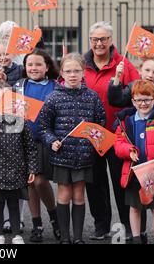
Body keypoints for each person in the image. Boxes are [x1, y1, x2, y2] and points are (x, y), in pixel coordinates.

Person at [41, 53, 106, 244]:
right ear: (61, 73)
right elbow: (45, 127)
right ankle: (65, 237)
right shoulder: (53, 97)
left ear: (83, 72)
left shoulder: (92, 97)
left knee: (79, 195)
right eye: (68, 71)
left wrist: (93, 143)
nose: (72, 75)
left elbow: (100, 124)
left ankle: (77, 238)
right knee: (64, 194)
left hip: (84, 157)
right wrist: (52, 141)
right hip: (62, 156)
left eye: (76, 71)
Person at [84, 21, 140, 240]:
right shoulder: (83, 64)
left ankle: (126, 224)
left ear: (110, 41)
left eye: (103, 39)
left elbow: (136, 93)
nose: (99, 43)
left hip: (118, 134)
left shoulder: (124, 64)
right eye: (95, 39)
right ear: (90, 41)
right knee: (95, 183)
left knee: (121, 181)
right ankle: (101, 226)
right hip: (91, 135)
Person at [113, 79, 154, 244]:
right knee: (135, 208)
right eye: (139, 100)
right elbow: (118, 143)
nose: (143, 103)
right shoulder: (125, 121)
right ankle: (136, 238)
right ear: (133, 101)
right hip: (134, 173)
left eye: (147, 99)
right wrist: (128, 151)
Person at [0, 82, 39, 244]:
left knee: (14, 204)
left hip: (17, 170)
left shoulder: (21, 122)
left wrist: (32, 169)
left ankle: (17, 234)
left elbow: (30, 148)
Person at [14, 48, 60, 242]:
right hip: (25, 140)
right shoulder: (19, 85)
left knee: (40, 181)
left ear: (47, 66)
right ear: (25, 67)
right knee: (31, 183)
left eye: (38, 64)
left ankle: (54, 217)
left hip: (45, 140)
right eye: (30, 64)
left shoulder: (55, 86)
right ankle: (37, 224)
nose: (33, 67)